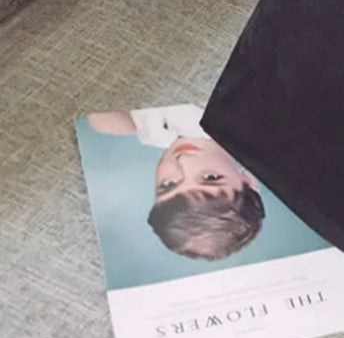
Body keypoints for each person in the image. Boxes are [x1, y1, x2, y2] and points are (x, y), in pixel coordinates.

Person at [86, 104, 265, 261]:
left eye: (168, 184)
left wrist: (122, 123)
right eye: (210, 177)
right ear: (248, 180)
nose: (183, 162)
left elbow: (106, 119)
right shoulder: (238, 122)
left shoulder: (155, 134)